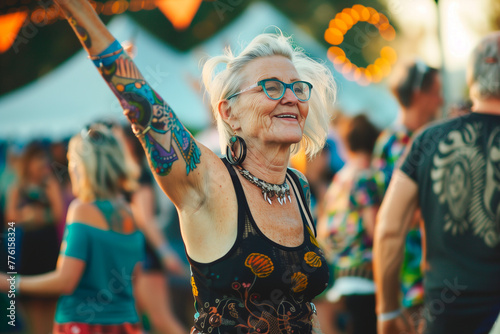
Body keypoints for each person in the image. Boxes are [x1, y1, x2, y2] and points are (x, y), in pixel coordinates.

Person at [54, 1, 335, 333]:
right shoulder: (208, 180)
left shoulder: (297, 186)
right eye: (271, 87)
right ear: (229, 113)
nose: (290, 98)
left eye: (297, 88)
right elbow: (144, 106)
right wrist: (83, 14)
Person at [373, 31, 500, 334]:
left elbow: (389, 230)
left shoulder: (427, 140)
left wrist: (387, 310)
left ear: (472, 79)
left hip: (446, 316)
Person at [1, 124, 145, 333]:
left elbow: (66, 281)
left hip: (83, 324)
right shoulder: (129, 212)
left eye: (71, 162)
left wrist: (11, 284)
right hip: (125, 322)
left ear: (82, 166)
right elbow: (135, 276)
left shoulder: (82, 210)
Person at [372, 59, 443, 327]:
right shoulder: (397, 144)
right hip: (413, 277)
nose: (441, 100)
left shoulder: (418, 137)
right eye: (436, 92)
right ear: (418, 95)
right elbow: (400, 214)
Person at [316, 114, 384, 334]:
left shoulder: (339, 179)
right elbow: (375, 229)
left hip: (340, 275)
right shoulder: (367, 178)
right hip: (365, 278)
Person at [121, 124, 189, 334]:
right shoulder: (132, 173)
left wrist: (165, 254)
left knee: (161, 320)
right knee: (135, 321)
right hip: (136, 254)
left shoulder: (140, 173)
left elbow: (145, 219)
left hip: (146, 254)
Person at [5, 142, 64, 334]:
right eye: (37, 158)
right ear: (28, 162)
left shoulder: (50, 183)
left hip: (47, 247)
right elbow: (9, 219)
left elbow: (58, 214)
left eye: (43, 158)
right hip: (29, 249)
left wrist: (40, 217)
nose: (42, 163)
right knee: (33, 305)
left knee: (51, 303)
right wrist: (25, 216)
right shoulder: (18, 187)